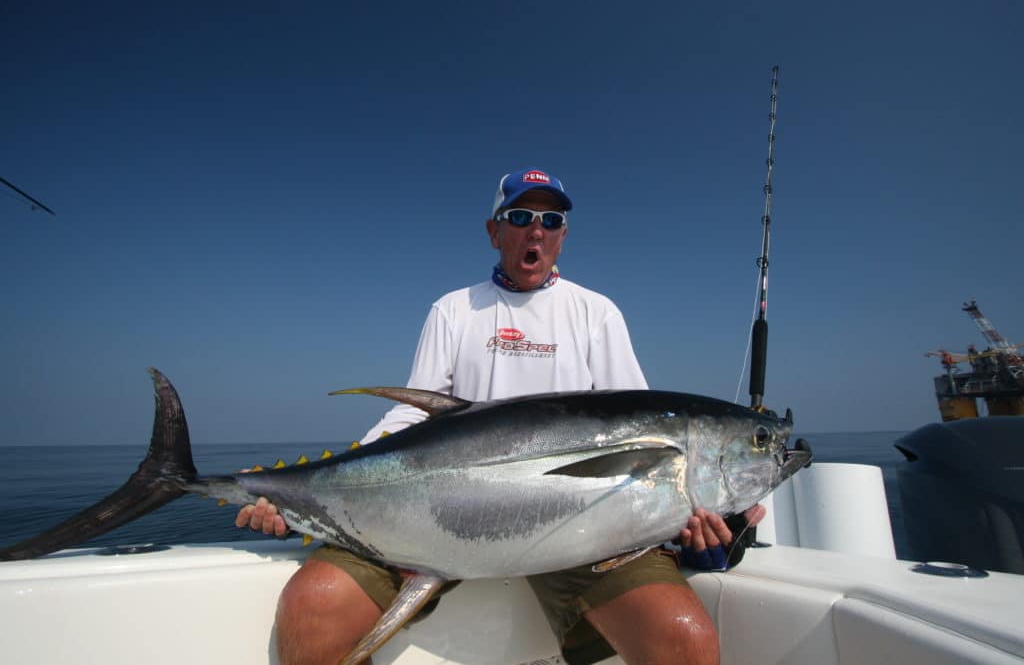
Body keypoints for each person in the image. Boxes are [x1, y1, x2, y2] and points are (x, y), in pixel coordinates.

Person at [238, 167, 765, 665]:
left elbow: (642, 426)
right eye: (519, 217)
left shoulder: (596, 313)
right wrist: (301, 493)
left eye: (550, 220)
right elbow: (408, 418)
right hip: (436, 517)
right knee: (311, 611)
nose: (535, 231)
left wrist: (693, 522)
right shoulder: (454, 310)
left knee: (685, 641)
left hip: (583, 533)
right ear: (494, 232)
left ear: (562, 237)